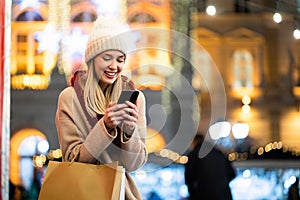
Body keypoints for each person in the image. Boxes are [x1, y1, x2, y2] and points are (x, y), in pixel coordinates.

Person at [55, 15, 148, 200]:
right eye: (107, 58)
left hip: (122, 194)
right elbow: (72, 160)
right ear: (92, 58)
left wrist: (129, 133)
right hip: (83, 193)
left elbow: (134, 164)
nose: (114, 66)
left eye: (120, 59)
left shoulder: (135, 98)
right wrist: (105, 127)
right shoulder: (70, 97)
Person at [184, 134, 236, 200]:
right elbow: (232, 174)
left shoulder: (193, 155)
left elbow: (188, 179)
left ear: (195, 141)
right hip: (224, 195)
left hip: (204, 196)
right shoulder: (218, 153)